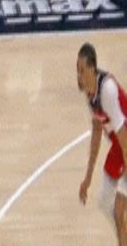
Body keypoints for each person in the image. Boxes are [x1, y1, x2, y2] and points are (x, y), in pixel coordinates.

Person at [76, 43, 127, 246]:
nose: (79, 76)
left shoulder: (107, 91)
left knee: (118, 210)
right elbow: (97, 132)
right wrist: (87, 178)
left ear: (92, 68)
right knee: (104, 201)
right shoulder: (91, 94)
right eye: (77, 70)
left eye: (82, 70)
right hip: (119, 147)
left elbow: (123, 135)